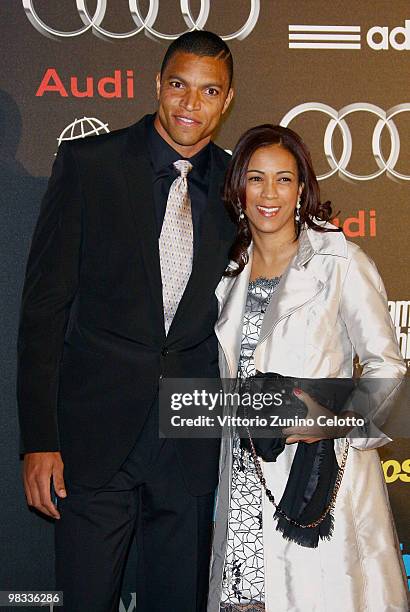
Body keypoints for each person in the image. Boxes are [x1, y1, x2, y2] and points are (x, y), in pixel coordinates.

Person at [17, 31, 235, 612]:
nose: (191, 105)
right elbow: (43, 310)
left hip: (189, 439)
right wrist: (39, 439)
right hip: (93, 438)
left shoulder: (240, 186)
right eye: (179, 86)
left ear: (228, 99)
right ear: (156, 85)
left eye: (208, 91)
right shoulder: (92, 164)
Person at [207, 125, 409, 612]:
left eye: (283, 179)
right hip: (243, 484)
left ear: (301, 189)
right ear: (239, 189)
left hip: (317, 486)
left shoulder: (339, 261)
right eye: (256, 179)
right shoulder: (230, 272)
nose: (269, 193)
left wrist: (325, 420)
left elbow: (389, 368)